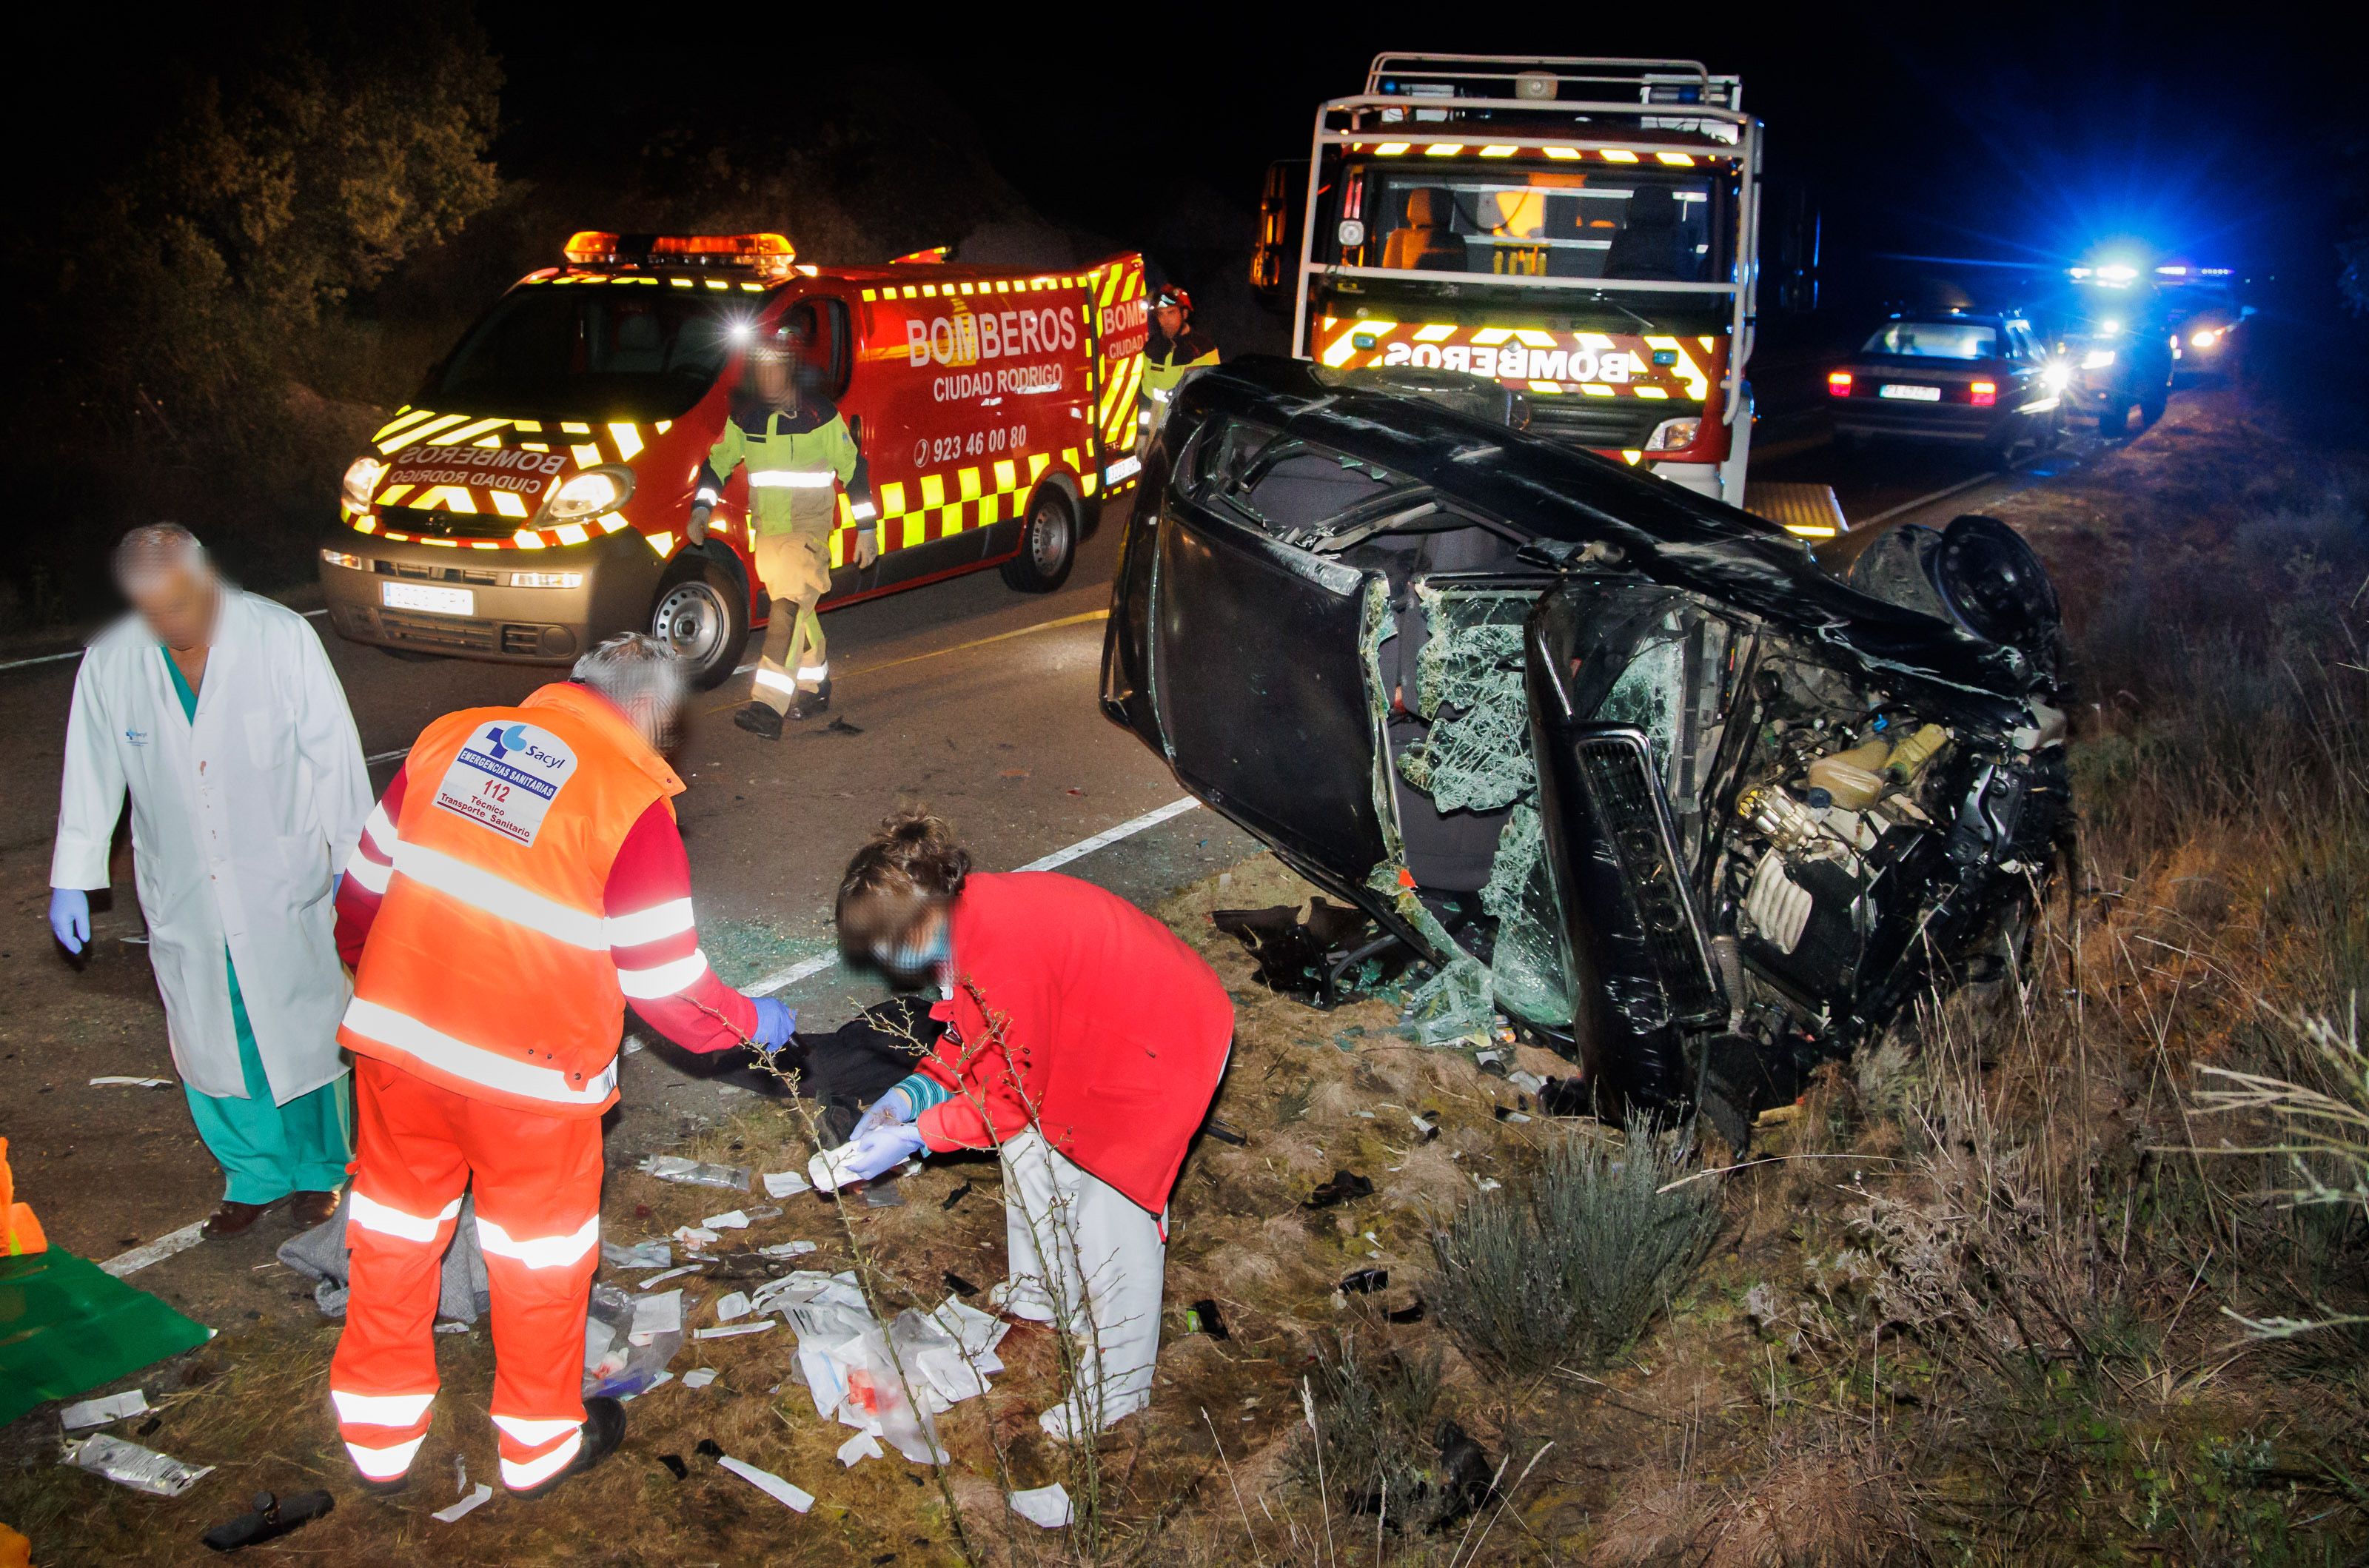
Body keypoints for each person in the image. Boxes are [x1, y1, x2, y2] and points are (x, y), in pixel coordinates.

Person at [326, 633, 797, 1499]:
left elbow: (358, 892)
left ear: (577, 684)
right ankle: (539, 1447)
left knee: (392, 1234)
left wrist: (382, 978)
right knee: (538, 1262)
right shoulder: (627, 801)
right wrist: (751, 1025)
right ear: (650, 710)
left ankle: (378, 1438)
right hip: (533, 1089)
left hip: (400, 1054)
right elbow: (669, 992)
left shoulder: (447, 739)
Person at [829, 810, 1233, 1441]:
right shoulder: (964, 920)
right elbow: (977, 1040)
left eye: (887, 945)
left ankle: (1118, 1391)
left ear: (924, 918)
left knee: (1112, 1214)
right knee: (1030, 1156)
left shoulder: (1000, 947)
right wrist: (908, 1097)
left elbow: (1009, 1102)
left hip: (1163, 1042)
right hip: (1096, 1027)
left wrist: (918, 1136)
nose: (883, 961)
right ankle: (1043, 1298)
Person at [49, 525, 370, 1239]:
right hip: (185, 889)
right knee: (212, 1033)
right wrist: (75, 873)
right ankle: (251, 1174)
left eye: (186, 602)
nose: (175, 623)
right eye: (154, 611)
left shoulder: (279, 639)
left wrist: (357, 863)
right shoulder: (111, 664)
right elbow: (92, 772)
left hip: (283, 881)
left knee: (305, 1026)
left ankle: (320, 1171)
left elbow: (335, 757)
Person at [689, 315, 875, 737]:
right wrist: (702, 507)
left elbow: (853, 470)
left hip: (808, 532)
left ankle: (767, 706)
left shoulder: (820, 415)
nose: (769, 376)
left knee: (787, 607)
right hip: (768, 534)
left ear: (790, 369)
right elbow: (718, 463)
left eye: (776, 367)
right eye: (762, 368)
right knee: (797, 612)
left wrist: (867, 529)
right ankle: (816, 684)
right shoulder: (745, 418)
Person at [1139, 283, 1220, 440]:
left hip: (1189, 434)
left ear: (1184, 314)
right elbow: (1147, 396)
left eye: (1171, 313)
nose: (1165, 320)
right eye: (1161, 314)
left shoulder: (1203, 350)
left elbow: (1210, 399)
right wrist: (1143, 434)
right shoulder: (1152, 350)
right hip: (1158, 434)